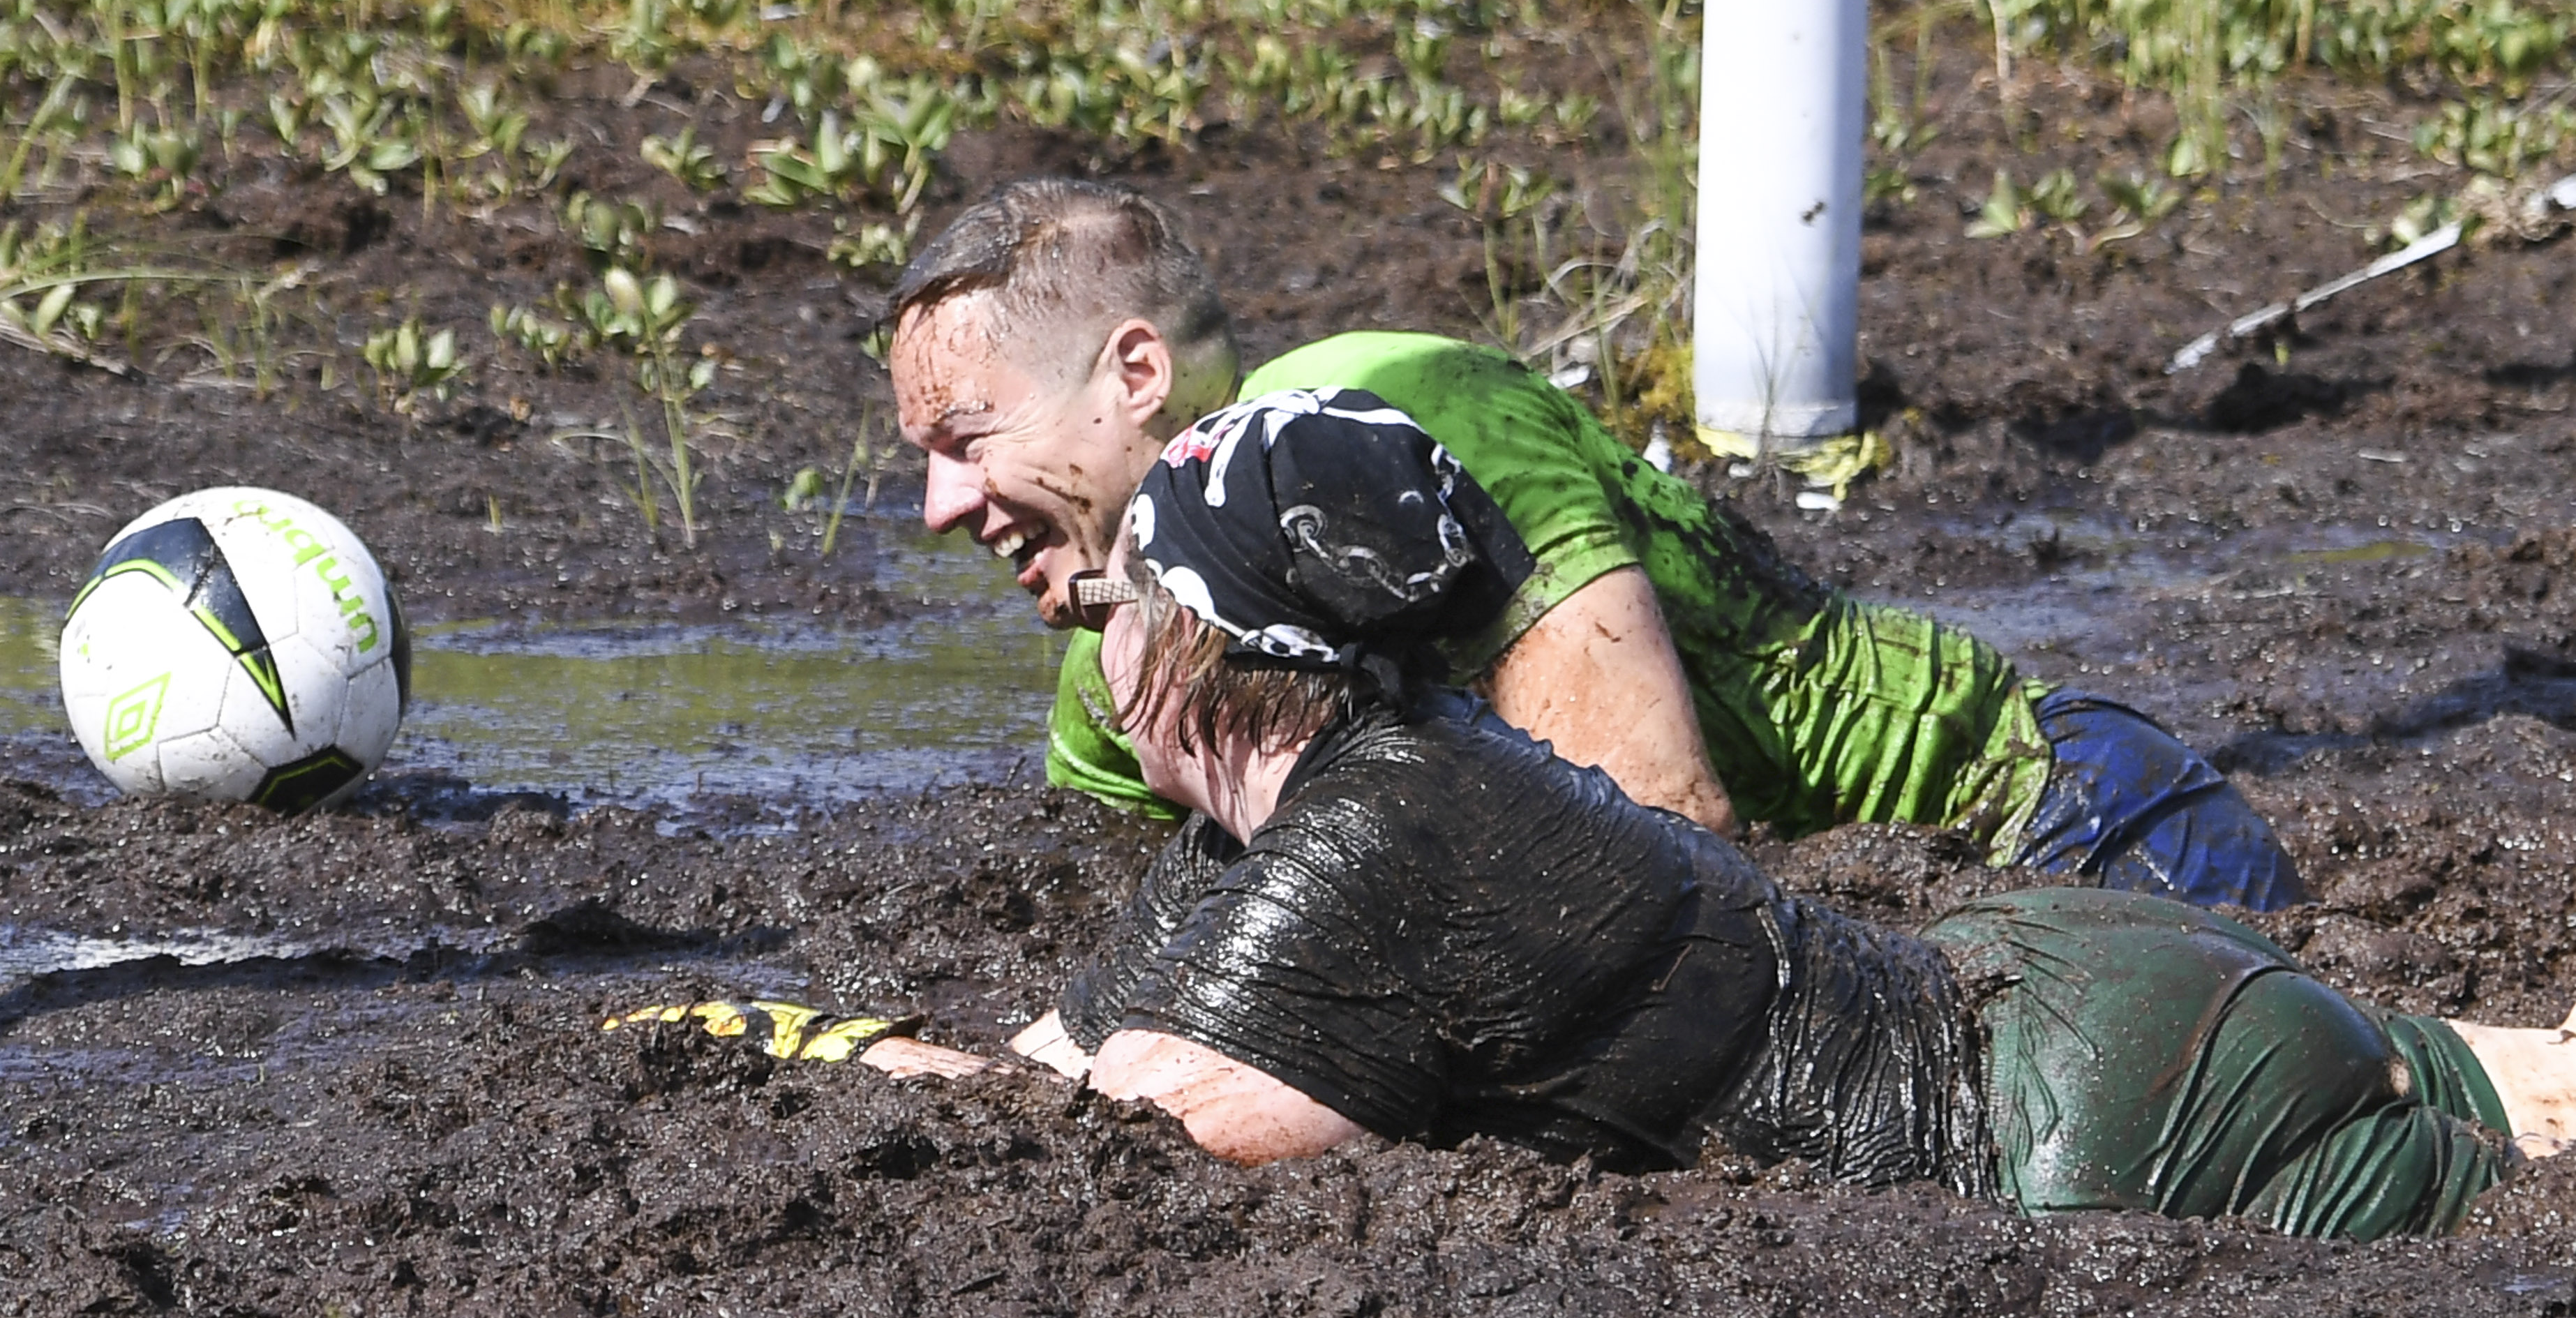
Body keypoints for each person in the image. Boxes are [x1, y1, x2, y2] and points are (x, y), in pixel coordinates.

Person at [630, 392, 2576, 1239]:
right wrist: (827, 1060)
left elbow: (1166, 1131)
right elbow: (1073, 1049)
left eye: (1123, 592)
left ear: (1213, 647)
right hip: (2066, 991)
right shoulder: (1307, 810)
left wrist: (836, 1053)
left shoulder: (1379, 834)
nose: (1090, 625)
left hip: (2089, 1136)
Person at [886, 177, 2304, 910]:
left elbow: (1663, 839)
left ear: (1133, 374)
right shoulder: (1104, 689)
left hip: (2049, 831)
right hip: (1856, 958)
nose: (940, 507)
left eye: (966, 437)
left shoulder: (1404, 416)